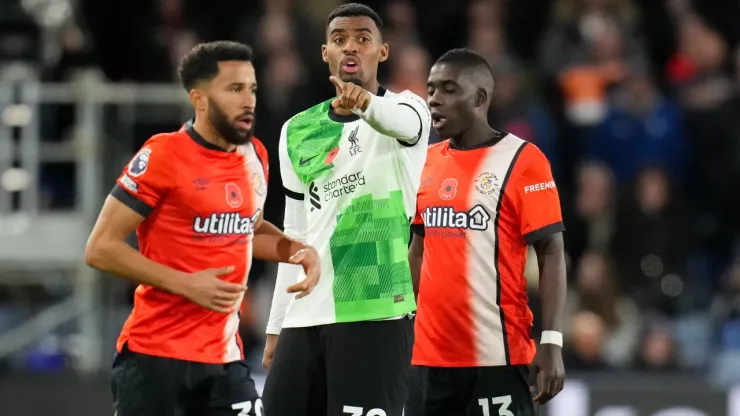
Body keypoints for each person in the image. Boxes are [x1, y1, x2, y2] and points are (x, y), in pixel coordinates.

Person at [84, 41, 321, 416]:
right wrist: (186, 283)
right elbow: (100, 248)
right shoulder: (163, 154)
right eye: (234, 89)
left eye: (252, 89)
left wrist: (297, 251)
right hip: (155, 357)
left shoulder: (255, 156)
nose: (248, 101)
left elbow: (249, 229)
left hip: (224, 358)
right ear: (199, 99)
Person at [262, 3, 432, 416]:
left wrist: (365, 104)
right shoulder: (297, 130)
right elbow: (294, 234)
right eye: (339, 39)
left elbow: (401, 124)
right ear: (326, 53)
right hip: (305, 315)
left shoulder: (409, 109)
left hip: (376, 309)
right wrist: (276, 325)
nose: (351, 47)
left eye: (362, 38)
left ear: (382, 51)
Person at [405, 48, 567, 416]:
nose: (434, 100)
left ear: (480, 97)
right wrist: (400, 326)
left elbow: (552, 251)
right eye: (431, 90)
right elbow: (418, 248)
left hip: (497, 356)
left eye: (448, 90)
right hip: (426, 360)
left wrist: (552, 341)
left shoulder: (523, 160)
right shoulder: (425, 162)